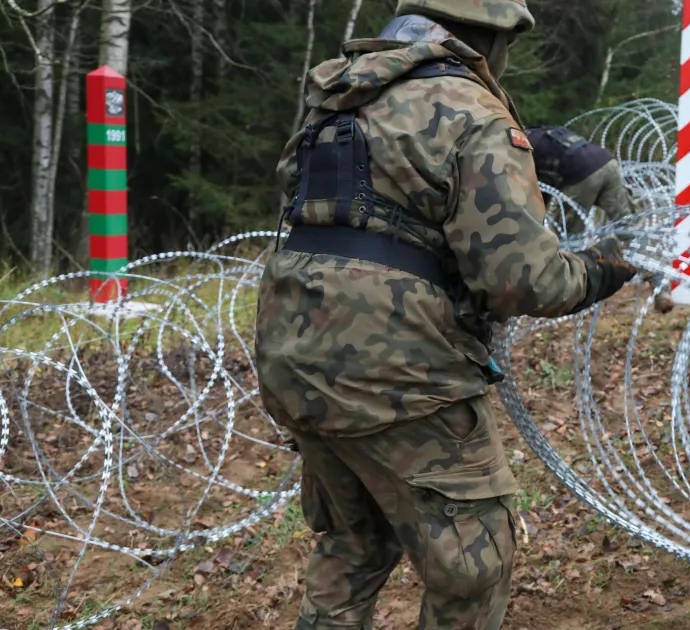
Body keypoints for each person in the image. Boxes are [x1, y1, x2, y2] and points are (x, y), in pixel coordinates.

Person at [253, 1, 638, 628]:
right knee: (474, 566)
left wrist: (529, 151)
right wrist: (606, 266)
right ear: (487, 38)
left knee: (353, 543)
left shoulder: (338, 99)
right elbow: (525, 282)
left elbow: (369, 201)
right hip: (396, 375)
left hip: (294, 350)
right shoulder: (475, 111)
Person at [526, 124, 633, 235]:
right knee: (624, 223)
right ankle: (636, 247)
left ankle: (571, 251)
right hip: (607, 161)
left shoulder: (526, 145)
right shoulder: (545, 131)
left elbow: (540, 188)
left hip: (582, 174)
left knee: (567, 235)